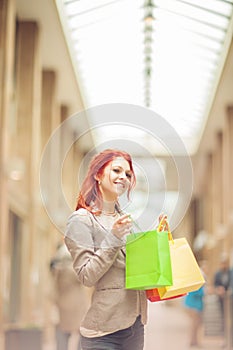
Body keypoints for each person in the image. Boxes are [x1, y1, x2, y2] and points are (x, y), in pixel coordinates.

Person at [65, 149, 152, 350]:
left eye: (128, 174)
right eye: (116, 171)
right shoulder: (81, 220)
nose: (123, 177)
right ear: (98, 174)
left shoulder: (126, 221)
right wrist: (113, 238)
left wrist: (157, 241)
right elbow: (86, 276)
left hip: (135, 326)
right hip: (102, 333)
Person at [50, 242, 90, 350]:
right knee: (80, 334)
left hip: (62, 306)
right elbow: (87, 278)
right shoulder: (74, 271)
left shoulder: (57, 272)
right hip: (76, 307)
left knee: (63, 334)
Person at [214, 253, 231, 336]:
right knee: (223, 317)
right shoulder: (217, 274)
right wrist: (219, 289)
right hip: (221, 299)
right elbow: (215, 284)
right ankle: (224, 335)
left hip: (230, 299)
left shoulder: (231, 272)